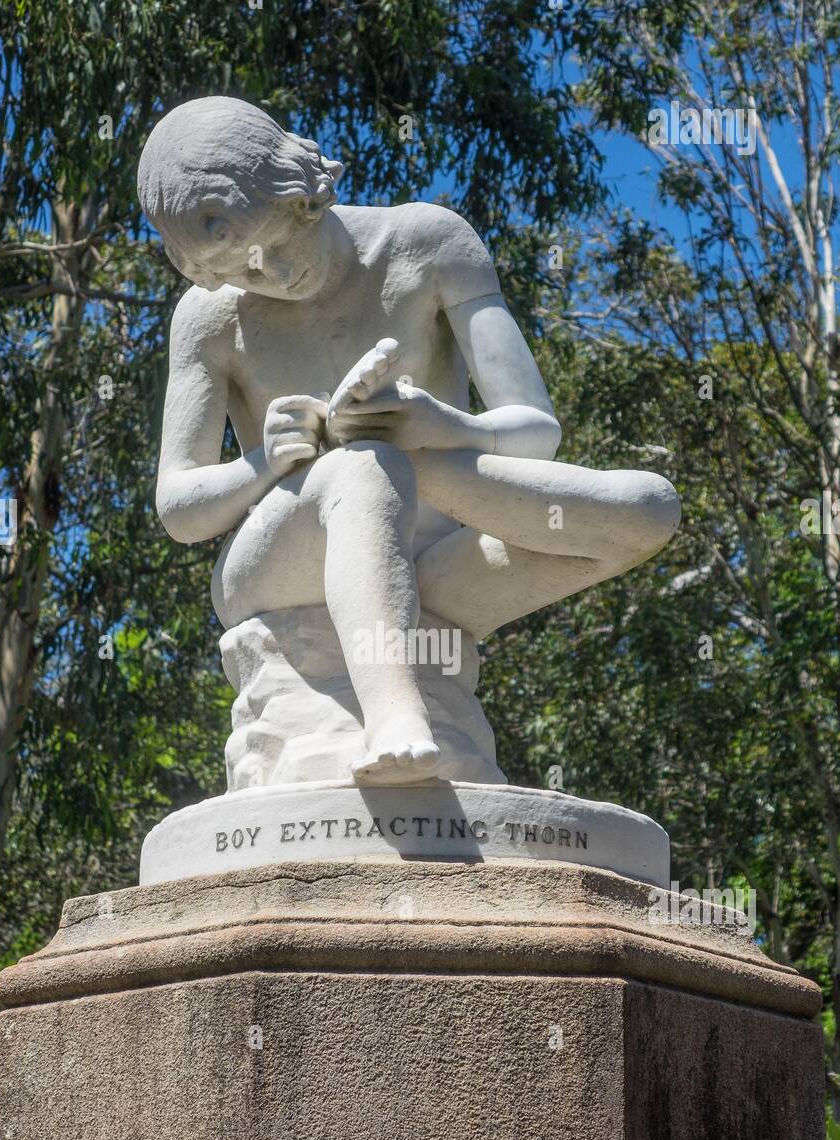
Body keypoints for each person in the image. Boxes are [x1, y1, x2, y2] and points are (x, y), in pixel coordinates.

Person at [138, 97, 680, 783]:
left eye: (274, 245)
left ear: (303, 193)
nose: (270, 276)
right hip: (281, 568)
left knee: (648, 507)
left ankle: (394, 474)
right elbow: (179, 508)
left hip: (433, 574)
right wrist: (264, 462)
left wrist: (442, 432)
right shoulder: (209, 319)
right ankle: (392, 713)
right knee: (361, 470)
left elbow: (536, 431)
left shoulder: (428, 244)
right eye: (240, 269)